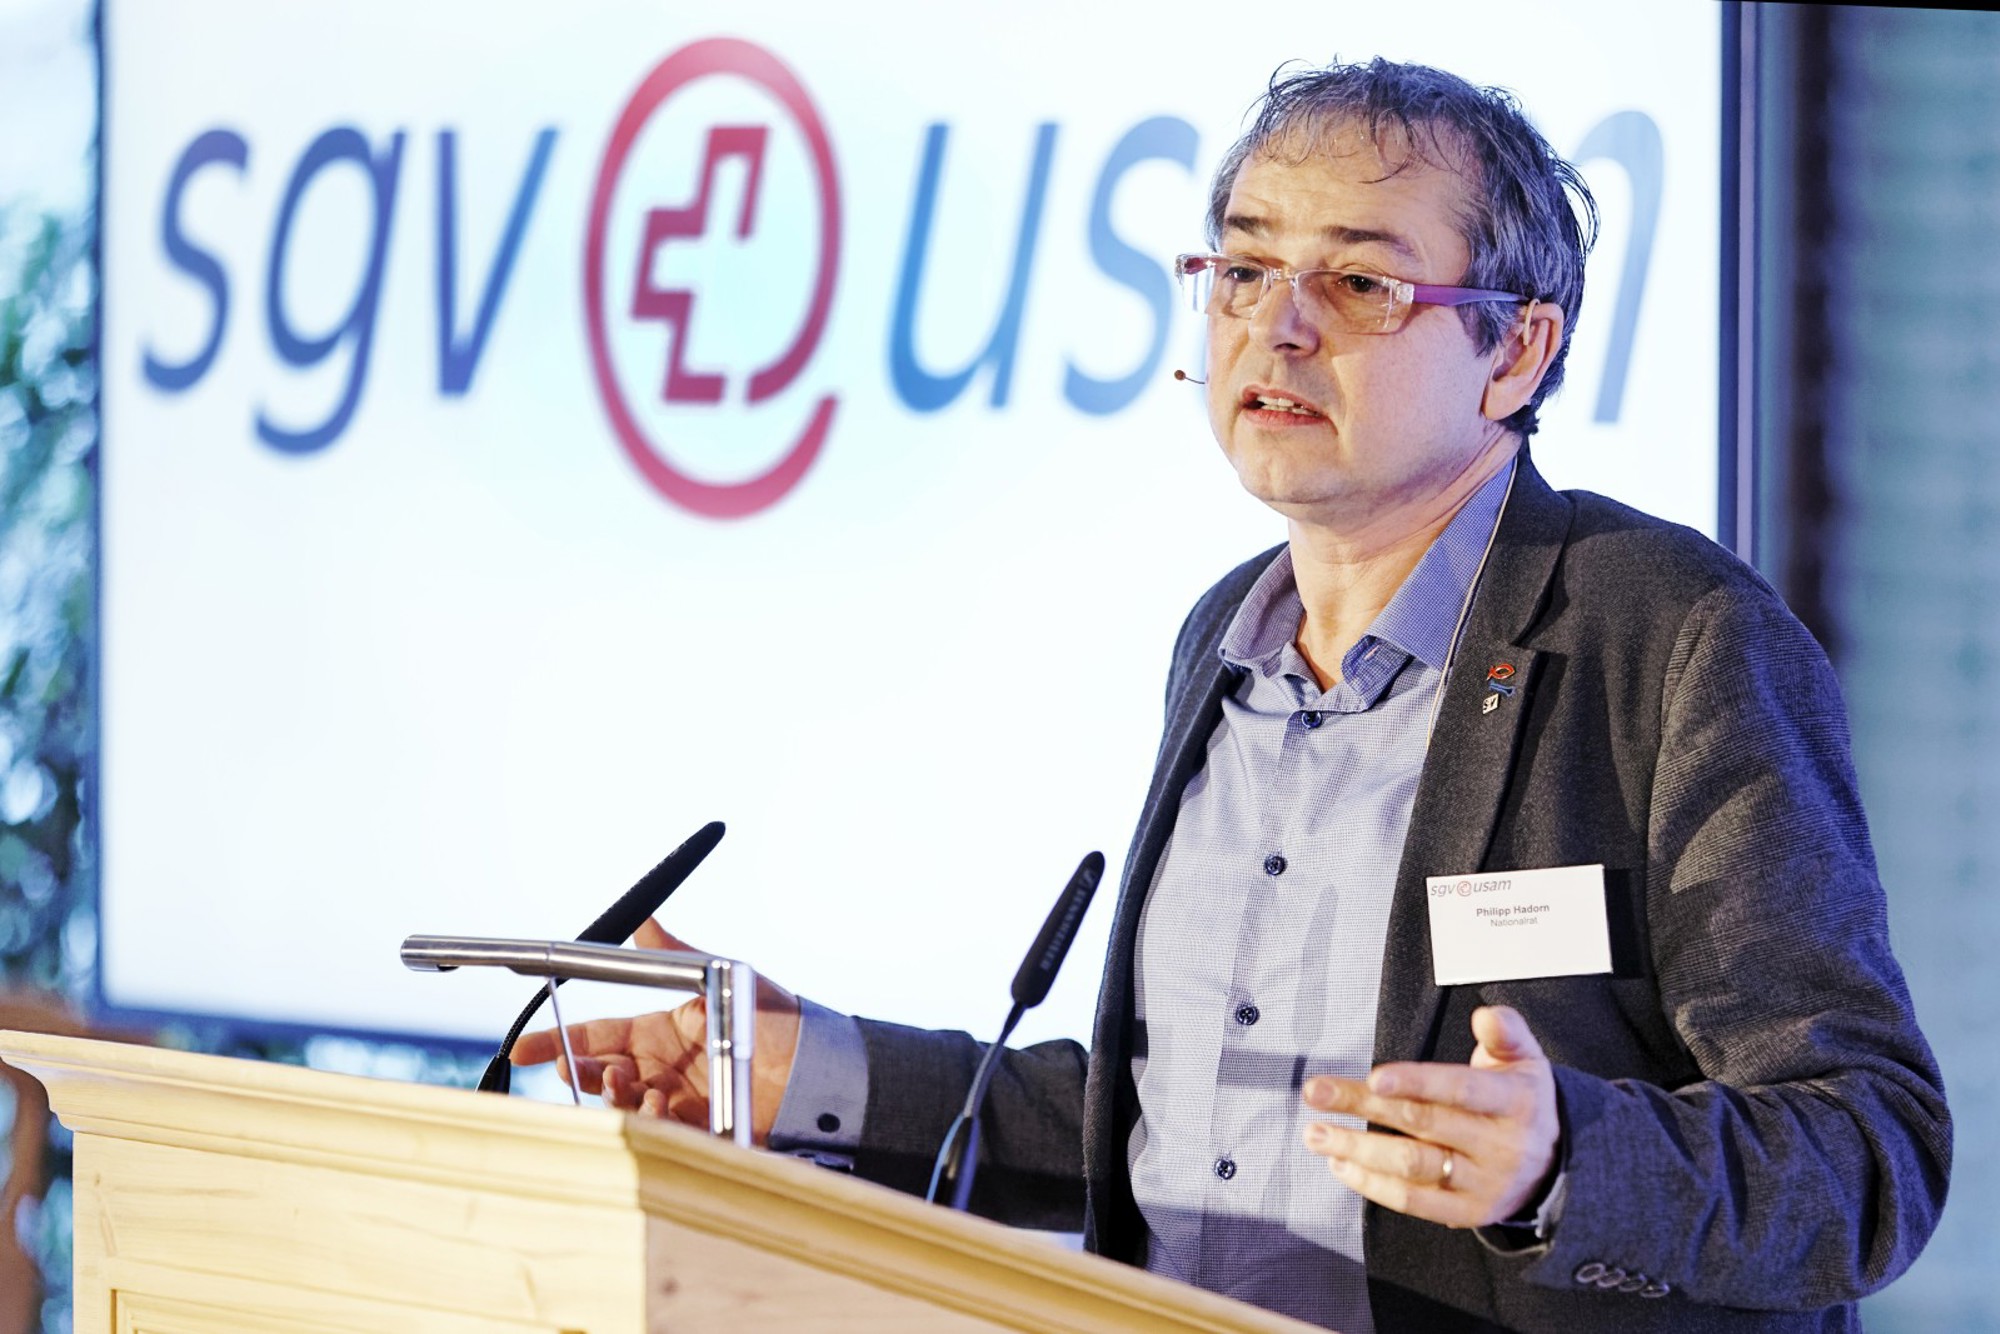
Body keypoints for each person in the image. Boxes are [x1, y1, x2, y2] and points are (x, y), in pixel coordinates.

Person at [515, 58, 1950, 1333]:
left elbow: (1867, 1149)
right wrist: (805, 1071)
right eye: (1245, 269)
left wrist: (1566, 1159)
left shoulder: (1671, 637)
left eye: (1361, 283)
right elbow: (1172, 1118)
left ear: (1516, 349)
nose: (1279, 327)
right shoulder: (1223, 638)